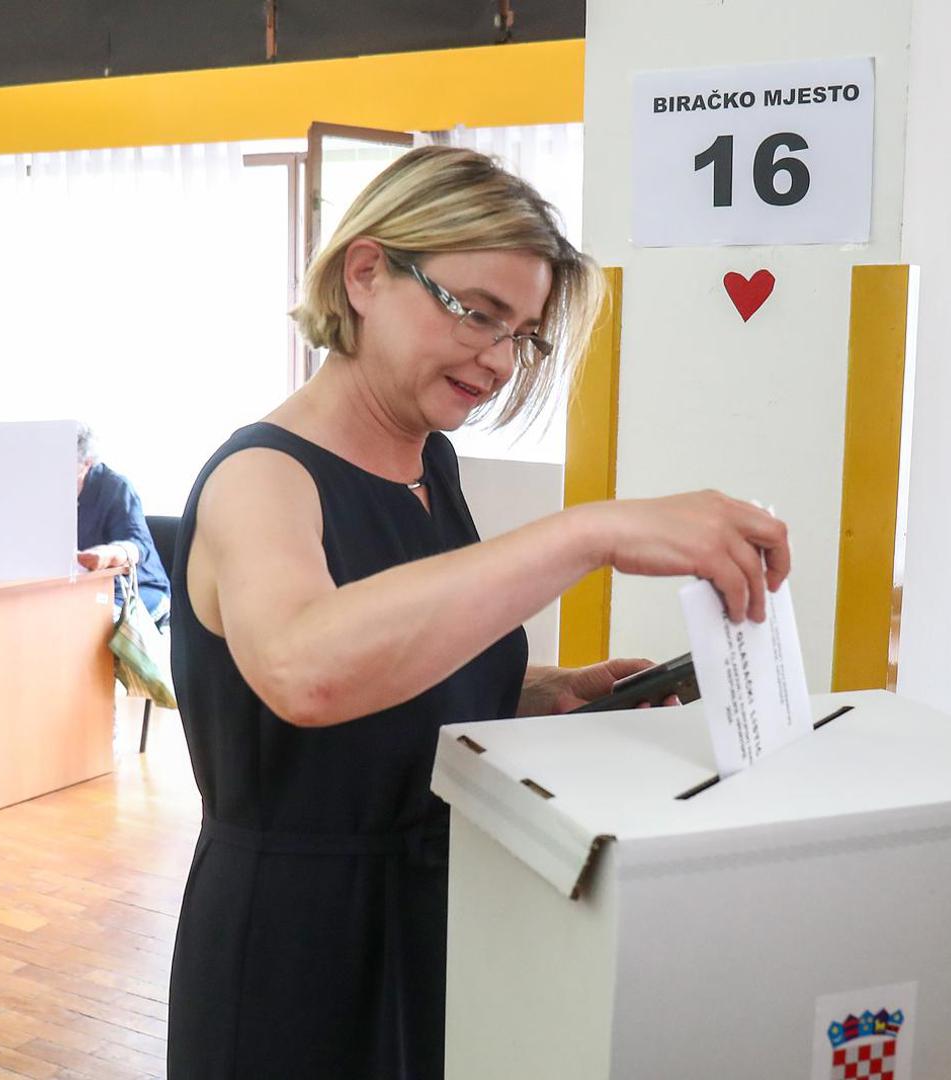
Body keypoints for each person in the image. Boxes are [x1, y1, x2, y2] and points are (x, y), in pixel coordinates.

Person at [165, 147, 791, 1079]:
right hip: (299, 937)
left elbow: (401, 656)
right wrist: (587, 535)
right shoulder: (263, 478)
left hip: (437, 907)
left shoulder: (427, 465)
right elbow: (304, 669)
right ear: (367, 272)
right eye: (477, 314)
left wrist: (545, 689)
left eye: (523, 335)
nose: (499, 360)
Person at [75, 423, 170, 625]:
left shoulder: (115, 487)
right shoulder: (46, 493)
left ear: (87, 463)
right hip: (84, 589)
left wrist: (111, 553)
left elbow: (138, 544)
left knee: (89, 626)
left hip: (137, 588)